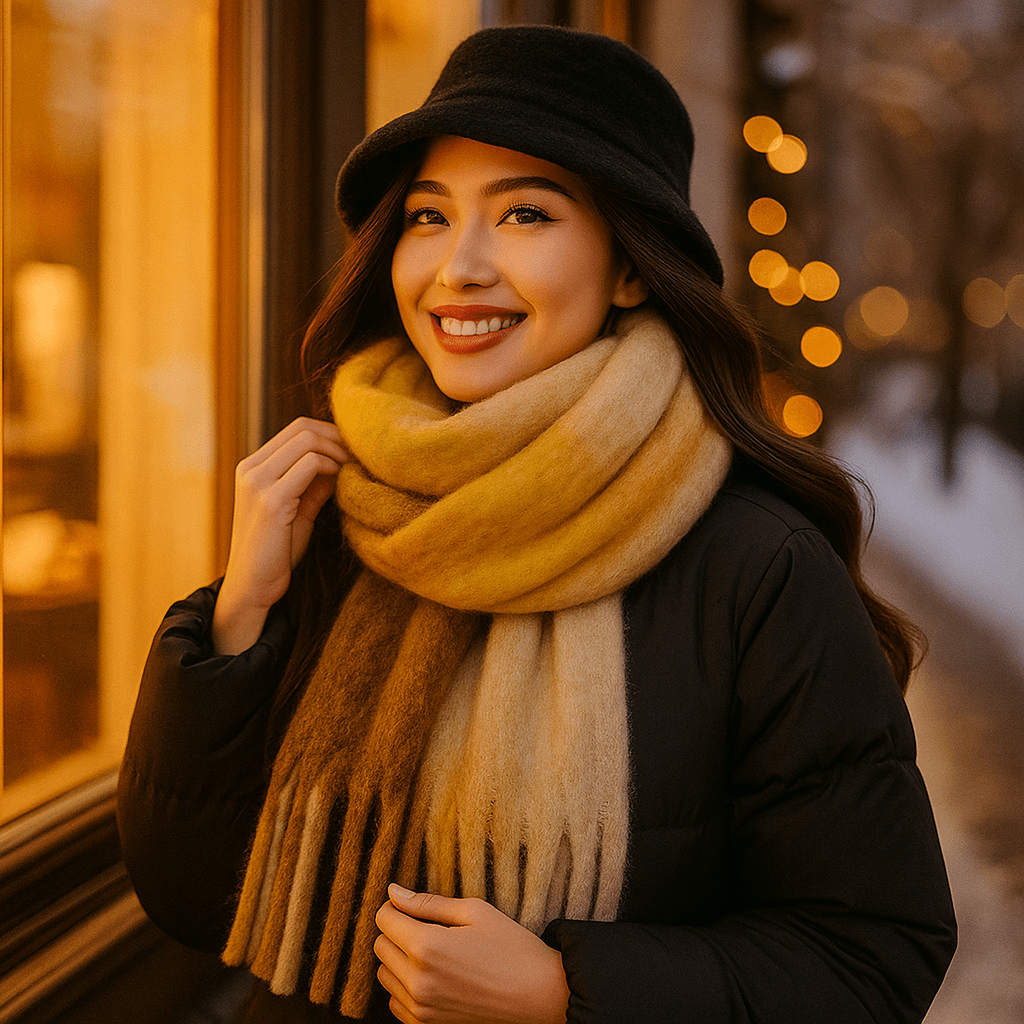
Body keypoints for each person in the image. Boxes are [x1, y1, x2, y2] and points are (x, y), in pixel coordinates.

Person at [117, 24, 956, 1024]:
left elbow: (870, 956)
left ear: (630, 267)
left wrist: (570, 989)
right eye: (427, 216)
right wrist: (240, 609)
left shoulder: (755, 566)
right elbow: (191, 896)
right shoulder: (340, 515)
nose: (457, 267)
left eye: (523, 213)